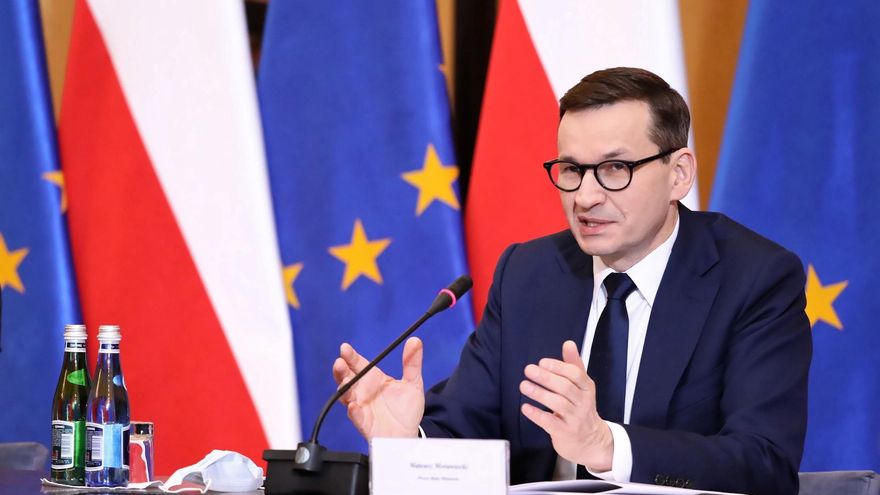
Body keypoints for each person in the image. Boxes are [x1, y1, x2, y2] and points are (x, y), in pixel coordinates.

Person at [333, 67, 811, 495]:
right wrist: (409, 442)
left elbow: (764, 463)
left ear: (679, 174)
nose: (584, 196)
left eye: (615, 169)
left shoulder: (754, 279)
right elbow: (468, 423)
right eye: (572, 170)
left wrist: (607, 446)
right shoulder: (529, 273)